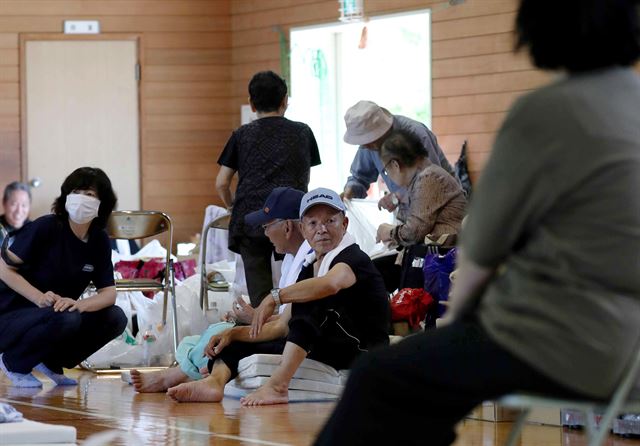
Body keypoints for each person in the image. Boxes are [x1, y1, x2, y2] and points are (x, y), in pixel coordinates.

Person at [315, 0, 640, 444]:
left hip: (562, 342)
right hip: (630, 349)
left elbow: (478, 250)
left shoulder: (543, 114)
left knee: (377, 374)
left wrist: (446, 333)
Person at [165, 188, 390, 405]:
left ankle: (277, 386)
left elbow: (330, 284)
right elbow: (281, 326)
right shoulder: (309, 267)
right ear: (303, 228)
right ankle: (214, 383)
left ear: (345, 224)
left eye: (330, 221)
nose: (322, 229)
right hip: (328, 344)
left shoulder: (353, 257)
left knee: (310, 303)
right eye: (313, 223)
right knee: (234, 343)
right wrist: (233, 334)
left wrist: (275, 297)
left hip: (362, 349)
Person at [130, 187, 311, 393]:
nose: (265, 233)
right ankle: (186, 374)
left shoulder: (307, 263)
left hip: (295, 339)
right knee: (210, 332)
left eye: (267, 226)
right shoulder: (291, 259)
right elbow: (287, 315)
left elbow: (288, 324)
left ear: (287, 227)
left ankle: (172, 377)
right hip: (285, 328)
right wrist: (252, 316)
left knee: (222, 334)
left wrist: (247, 323)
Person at [0, 167, 127, 388]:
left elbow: (109, 294)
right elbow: (3, 269)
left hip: (53, 314)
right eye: (76, 191)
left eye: (89, 194)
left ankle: (51, 363)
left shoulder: (99, 240)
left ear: (102, 202)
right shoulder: (46, 227)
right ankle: (13, 362)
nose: (81, 199)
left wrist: (79, 304)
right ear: (66, 196)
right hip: (11, 314)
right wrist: (39, 298)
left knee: (115, 317)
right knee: (67, 318)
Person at [216, 70, 321, 308]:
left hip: (252, 219)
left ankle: (262, 328)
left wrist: (232, 205)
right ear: (285, 101)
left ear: (252, 105)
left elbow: (221, 182)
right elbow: (306, 176)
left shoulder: (242, 135)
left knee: (261, 295)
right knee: (298, 281)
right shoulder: (303, 132)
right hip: (292, 219)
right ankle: (291, 325)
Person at [373, 130, 466, 292]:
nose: (387, 175)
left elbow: (414, 232)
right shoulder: (428, 174)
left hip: (443, 259)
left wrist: (388, 232)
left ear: (395, 165)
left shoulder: (428, 178)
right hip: (439, 255)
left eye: (386, 171)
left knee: (374, 273)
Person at [341, 100, 454, 215]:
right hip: (410, 213)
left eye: (367, 140)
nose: (364, 146)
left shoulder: (417, 134)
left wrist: (398, 196)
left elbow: (432, 183)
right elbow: (359, 177)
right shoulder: (369, 146)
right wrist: (350, 191)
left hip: (443, 210)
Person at [0, 182, 31, 248]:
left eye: (24, 205)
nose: (19, 211)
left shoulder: (34, 229)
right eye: (14, 204)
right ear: (4, 203)